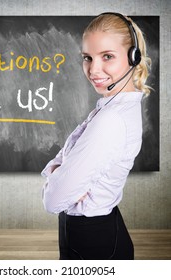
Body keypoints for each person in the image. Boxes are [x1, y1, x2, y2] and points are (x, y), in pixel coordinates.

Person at [41, 12, 152, 260]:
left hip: (93, 243)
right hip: (98, 236)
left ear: (134, 57)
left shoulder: (110, 120)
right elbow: (63, 177)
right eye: (87, 58)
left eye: (107, 57)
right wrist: (59, 172)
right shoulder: (111, 108)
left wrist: (56, 176)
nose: (93, 69)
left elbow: (53, 201)